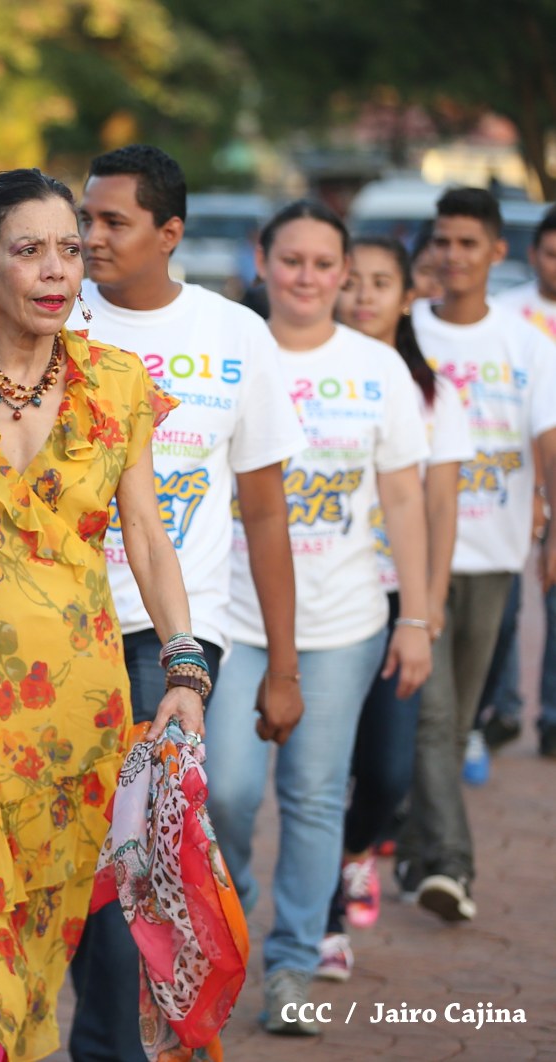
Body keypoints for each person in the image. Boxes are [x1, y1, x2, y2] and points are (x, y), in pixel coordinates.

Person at [0, 165, 207, 1062]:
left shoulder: (117, 381)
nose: (57, 268)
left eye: (69, 249)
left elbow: (147, 534)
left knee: (36, 927)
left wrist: (183, 666)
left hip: (78, 705)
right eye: (30, 250)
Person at [61, 144, 304, 1062]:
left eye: (111, 221)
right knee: (92, 844)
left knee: (144, 837)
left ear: (169, 233)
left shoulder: (234, 333)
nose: (89, 238)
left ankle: (122, 1041)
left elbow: (264, 511)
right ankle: (122, 1034)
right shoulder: (55, 314)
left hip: (174, 633)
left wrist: (281, 666)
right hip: (61, 626)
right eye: (84, 218)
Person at [203, 200, 432, 1036]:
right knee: (225, 791)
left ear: (342, 272)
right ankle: (233, 910)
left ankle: (292, 962)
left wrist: (417, 617)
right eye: (290, 260)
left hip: (343, 622)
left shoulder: (377, 368)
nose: (305, 277)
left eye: (322, 263)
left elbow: (402, 497)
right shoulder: (227, 348)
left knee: (312, 796)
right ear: (261, 261)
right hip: (230, 616)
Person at [320, 235, 473, 979]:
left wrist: (427, 603)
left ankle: (357, 852)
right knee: (319, 773)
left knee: (385, 770)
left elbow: (439, 505)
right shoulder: (304, 374)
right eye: (353, 281)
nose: (362, 296)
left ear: (407, 297)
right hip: (324, 592)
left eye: (381, 283)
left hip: (397, 599)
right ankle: (323, 925)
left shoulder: (431, 392)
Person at [401, 187, 556, 918]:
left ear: (497, 251)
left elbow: (547, 444)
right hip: (412, 560)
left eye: (468, 243)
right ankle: (452, 868)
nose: (452, 255)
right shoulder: (407, 334)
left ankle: (412, 849)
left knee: (456, 720)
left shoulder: (527, 344)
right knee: (433, 718)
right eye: (442, 241)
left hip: (494, 554)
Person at [487, 204, 556, 759]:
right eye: (552, 254)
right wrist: (535, 490)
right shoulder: (507, 315)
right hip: (512, 476)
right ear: (533, 254)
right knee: (502, 605)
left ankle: (550, 717)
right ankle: (503, 706)